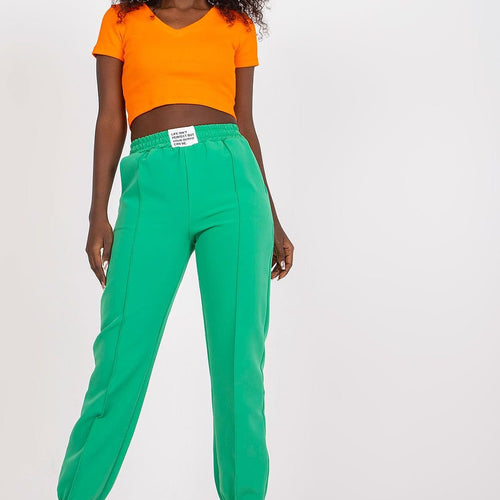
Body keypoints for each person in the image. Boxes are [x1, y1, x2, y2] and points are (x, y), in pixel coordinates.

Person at [56, 1, 294, 499]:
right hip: (151, 184)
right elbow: (110, 118)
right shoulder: (121, 21)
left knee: (239, 368)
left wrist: (273, 218)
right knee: (119, 359)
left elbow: (245, 123)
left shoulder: (235, 24)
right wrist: (98, 212)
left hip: (232, 185)